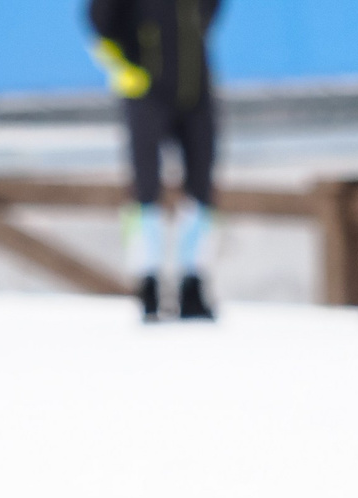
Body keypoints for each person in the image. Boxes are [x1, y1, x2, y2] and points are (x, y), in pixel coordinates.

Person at [88, 0, 222, 321]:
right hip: (146, 88)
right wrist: (129, 63)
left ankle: (194, 281)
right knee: (145, 188)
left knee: (201, 186)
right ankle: (147, 281)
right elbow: (100, 19)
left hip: (195, 84)